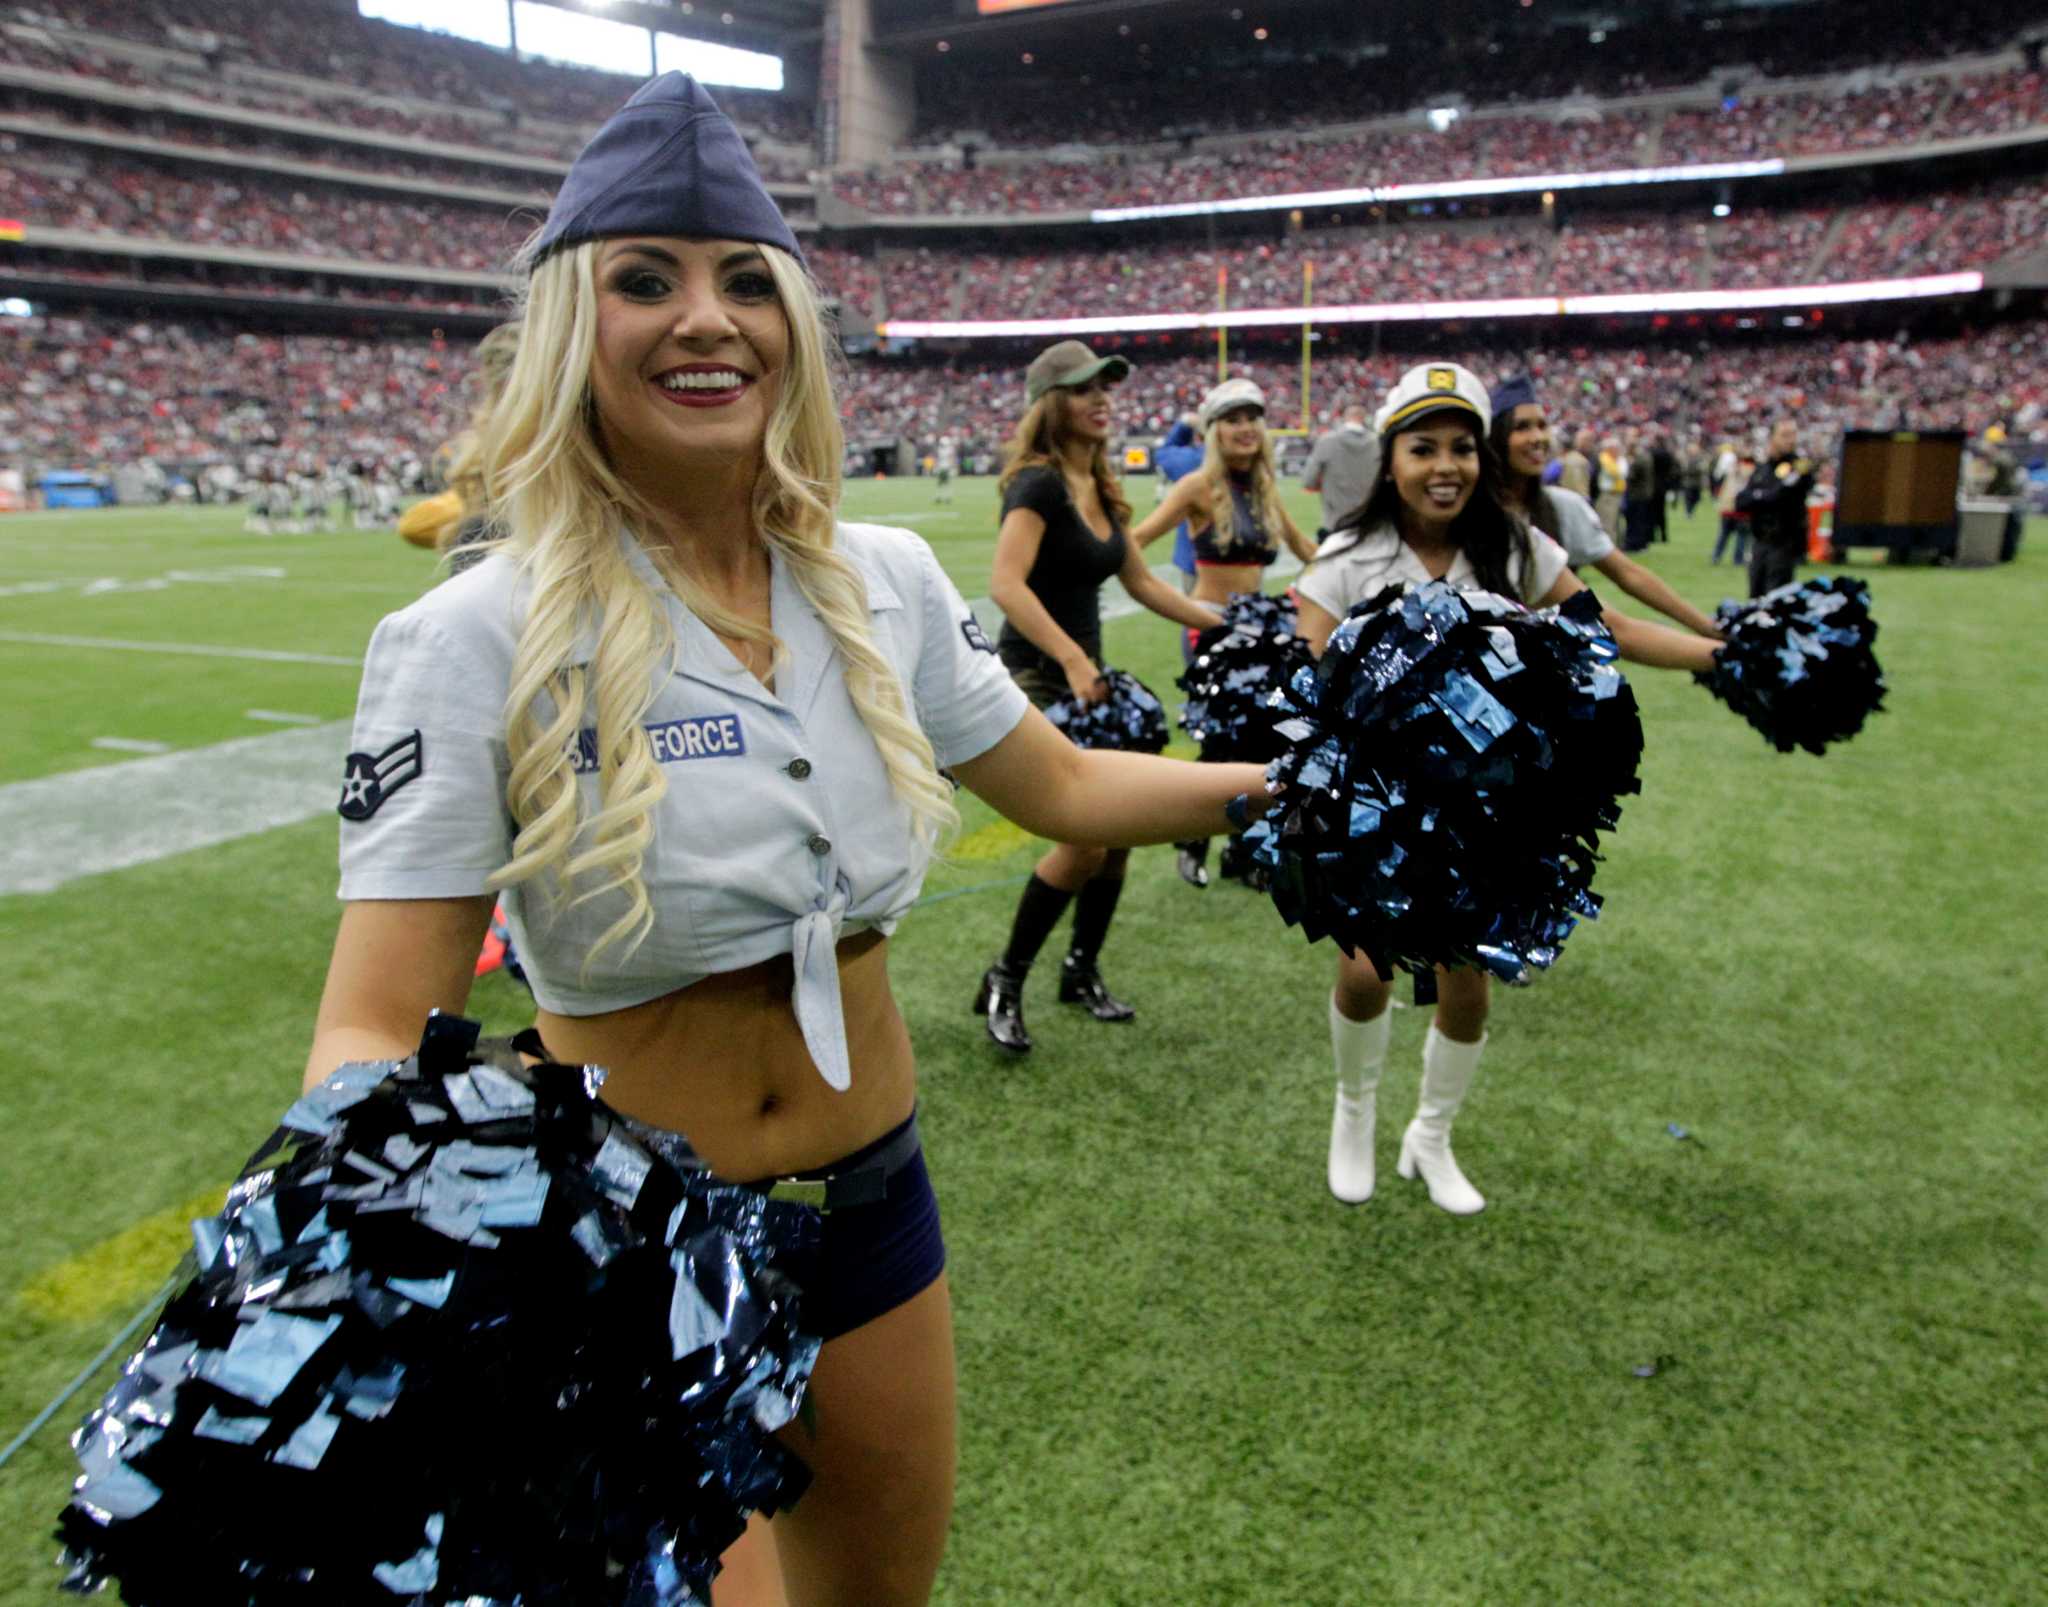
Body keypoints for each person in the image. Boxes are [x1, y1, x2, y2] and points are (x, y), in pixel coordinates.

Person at [309, 77, 1269, 1607]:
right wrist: (395, 1218)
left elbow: (1069, 788)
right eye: (648, 281)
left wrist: (1281, 784)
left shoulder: (878, 576)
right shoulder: (469, 634)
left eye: (748, 281)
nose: (709, 320)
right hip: (626, 1244)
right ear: (574, 325)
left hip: (877, 1204)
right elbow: (369, 1014)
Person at [1293, 363, 1720, 1216]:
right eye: (1423, 448)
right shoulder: (1345, 556)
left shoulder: (1520, 547)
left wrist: (1721, 655)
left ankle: (1432, 1135)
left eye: (1461, 447)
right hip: (1380, 810)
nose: (1444, 465)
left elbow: (1610, 627)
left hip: (1486, 811)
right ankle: (1354, 1111)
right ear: (1391, 458)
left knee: (1469, 981)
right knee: (1364, 968)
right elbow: (1311, 682)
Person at [975, 342, 1228, 1051]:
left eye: (1107, 387)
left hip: (1090, 679)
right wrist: (1070, 656)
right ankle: (1006, 975)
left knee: (1120, 835)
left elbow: (1144, 585)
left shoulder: (1105, 486)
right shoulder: (1038, 485)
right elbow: (1005, 583)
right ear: (1051, 403)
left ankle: (1079, 971)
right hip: (1038, 677)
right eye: (1085, 388)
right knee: (1085, 839)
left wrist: (1233, 625)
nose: (1102, 398)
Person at [1128, 377, 1316, 889]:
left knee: (1260, 745)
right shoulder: (1198, 487)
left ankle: (1243, 852)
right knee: (1219, 744)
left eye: (1252, 418)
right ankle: (1193, 842)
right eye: (1232, 419)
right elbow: (1137, 539)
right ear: (1214, 431)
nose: (1244, 428)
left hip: (1261, 628)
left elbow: (1304, 548)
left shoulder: (1263, 489)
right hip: (1210, 628)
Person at [1489, 375, 1721, 639]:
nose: (1538, 437)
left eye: (1542, 426)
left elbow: (1628, 575)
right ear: (1495, 436)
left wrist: (1707, 628)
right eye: (1521, 427)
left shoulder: (1562, 507)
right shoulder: (1467, 515)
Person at [1736, 416, 1816, 598]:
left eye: (1793, 435)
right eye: (1785, 435)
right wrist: (1763, 496)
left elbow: (1778, 496)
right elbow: (1741, 501)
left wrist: (1759, 496)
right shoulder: (1763, 468)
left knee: (1775, 598)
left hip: (1783, 542)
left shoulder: (1799, 467)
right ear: (1773, 438)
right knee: (1755, 596)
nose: (1791, 440)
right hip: (1759, 541)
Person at [1300, 401, 1379, 536]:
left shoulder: (1327, 441)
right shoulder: (1378, 443)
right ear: (1364, 417)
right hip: (1369, 525)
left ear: (1344, 417)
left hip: (1335, 523)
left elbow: (1309, 481)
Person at [1153, 411, 1205, 606]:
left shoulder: (1192, 460)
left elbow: (1164, 452)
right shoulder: (1246, 460)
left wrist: (1184, 425)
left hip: (1194, 556)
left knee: (1196, 623)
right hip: (1243, 563)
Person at [1710, 439, 1751, 565]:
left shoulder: (1729, 465)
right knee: (1740, 535)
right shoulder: (1747, 467)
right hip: (1739, 506)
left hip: (1728, 505)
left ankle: (1716, 556)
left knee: (1725, 534)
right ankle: (1737, 559)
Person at [1557, 427, 1592, 498]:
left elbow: (1548, 477)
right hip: (1581, 497)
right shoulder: (1584, 459)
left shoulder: (1561, 461)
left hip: (1568, 497)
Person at [933, 432, 957, 504]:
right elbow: (951, 459)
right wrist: (953, 467)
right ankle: (946, 497)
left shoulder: (941, 450)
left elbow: (938, 459)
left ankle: (940, 497)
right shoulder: (948, 449)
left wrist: (936, 467)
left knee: (941, 484)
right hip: (946, 468)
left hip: (942, 468)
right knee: (946, 484)